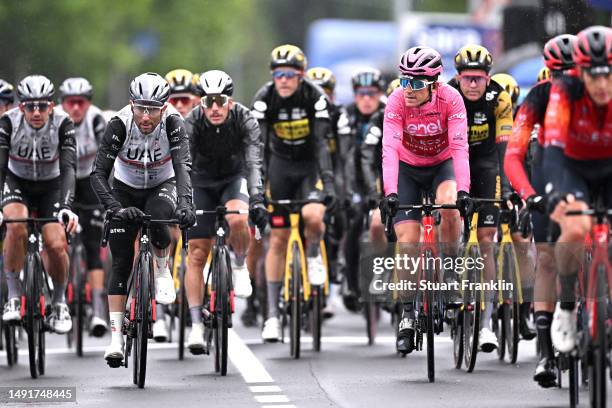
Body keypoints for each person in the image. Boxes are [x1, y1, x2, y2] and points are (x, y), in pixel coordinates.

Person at [90, 72, 195, 364]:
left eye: (153, 109)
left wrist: (185, 204)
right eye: (140, 108)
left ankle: (162, 270)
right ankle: (115, 338)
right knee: (121, 260)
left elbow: (183, 166)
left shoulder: (174, 122)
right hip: (125, 188)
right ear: (131, 104)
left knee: (163, 218)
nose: (146, 116)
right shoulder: (119, 123)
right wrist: (115, 208)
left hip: (164, 183)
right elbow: (98, 174)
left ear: (164, 107)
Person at [381, 46, 470, 354]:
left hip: (441, 165)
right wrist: (390, 192)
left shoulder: (452, 99)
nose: (408, 89)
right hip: (407, 169)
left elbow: (459, 148)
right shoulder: (395, 100)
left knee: (449, 207)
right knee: (406, 241)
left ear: (434, 84)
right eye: (404, 81)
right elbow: (389, 148)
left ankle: (448, 274)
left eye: (416, 84)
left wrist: (464, 192)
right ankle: (407, 314)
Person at [504, 33, 577, 388]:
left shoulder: (601, 94)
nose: (567, 78)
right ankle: (547, 352)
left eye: (574, 70)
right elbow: (515, 155)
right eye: (558, 71)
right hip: (548, 175)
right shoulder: (537, 98)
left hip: (591, 172)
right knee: (547, 259)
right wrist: (527, 195)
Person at [251, 44, 336, 342]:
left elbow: (322, 144)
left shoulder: (314, 97)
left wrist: (329, 182)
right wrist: (258, 190)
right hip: (280, 169)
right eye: (278, 74)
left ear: (301, 75)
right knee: (278, 239)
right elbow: (258, 149)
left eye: (289, 74)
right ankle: (272, 315)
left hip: (309, 167)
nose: (283, 80)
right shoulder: (265, 97)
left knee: (313, 216)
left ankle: (313, 253)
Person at [184, 70, 266, 353]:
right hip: (201, 180)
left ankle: (240, 264)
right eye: (208, 102)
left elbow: (254, 161)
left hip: (234, 177)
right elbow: (182, 165)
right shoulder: (191, 121)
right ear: (201, 103)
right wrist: (182, 200)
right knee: (196, 252)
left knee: (237, 217)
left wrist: (256, 199)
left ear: (230, 102)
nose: (215, 108)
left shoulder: (246, 119)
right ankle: (195, 324)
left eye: (220, 101)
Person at [543, 26, 611, 356]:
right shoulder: (565, 90)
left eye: (608, 75)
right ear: (579, 71)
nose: (601, 85)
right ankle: (567, 305)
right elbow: (553, 143)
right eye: (593, 75)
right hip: (574, 168)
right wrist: (555, 189)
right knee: (574, 227)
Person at [0, 75, 79, 334]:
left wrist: (67, 206)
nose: (36, 112)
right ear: (20, 107)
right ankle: (13, 296)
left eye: (42, 106)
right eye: (30, 106)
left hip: (51, 184)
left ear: (51, 106)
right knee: (16, 225)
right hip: (17, 181)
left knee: (56, 244)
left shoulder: (63, 123)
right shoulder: (7, 122)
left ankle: (58, 301)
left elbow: (69, 168)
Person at [448, 44, 514, 353]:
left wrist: (510, 188)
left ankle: (486, 324)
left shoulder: (500, 98)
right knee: (449, 225)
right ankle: (447, 285)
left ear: (488, 78)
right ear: (458, 78)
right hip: (451, 165)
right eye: (467, 78)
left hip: (486, 167)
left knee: (487, 240)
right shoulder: (445, 96)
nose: (473, 84)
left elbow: (505, 149)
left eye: (479, 78)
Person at [58, 77, 109, 336]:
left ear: (88, 103)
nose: (75, 108)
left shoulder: (97, 120)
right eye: (70, 103)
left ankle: (98, 310)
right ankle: (58, 296)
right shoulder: (54, 119)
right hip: (60, 180)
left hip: (89, 183)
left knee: (92, 245)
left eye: (81, 103)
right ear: (62, 103)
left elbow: (107, 155)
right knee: (56, 241)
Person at [338, 68, 386, 311]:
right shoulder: (347, 116)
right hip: (356, 174)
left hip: (384, 171)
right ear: (355, 95)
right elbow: (346, 157)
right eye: (361, 94)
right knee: (355, 221)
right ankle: (352, 282)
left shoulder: (389, 111)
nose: (367, 99)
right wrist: (347, 193)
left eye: (372, 94)